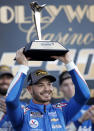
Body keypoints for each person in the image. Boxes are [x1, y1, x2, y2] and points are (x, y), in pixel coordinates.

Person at [6, 48, 90, 131]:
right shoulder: (23, 113)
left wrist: (69, 63)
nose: (47, 89)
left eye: (49, 84)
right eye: (40, 85)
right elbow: (10, 100)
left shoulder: (61, 110)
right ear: (30, 89)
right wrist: (23, 66)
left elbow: (84, 95)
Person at [0, 65, 14, 130]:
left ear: (13, 81)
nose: (5, 81)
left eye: (8, 78)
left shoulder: (22, 107)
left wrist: (16, 112)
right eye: (1, 78)